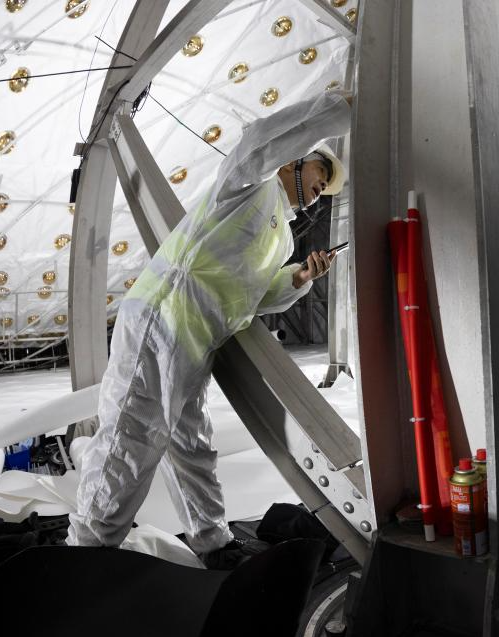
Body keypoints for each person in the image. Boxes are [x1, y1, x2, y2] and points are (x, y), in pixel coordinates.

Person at [66, 89, 352, 568]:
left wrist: (300, 277)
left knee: (187, 442)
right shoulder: (246, 186)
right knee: (131, 434)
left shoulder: (281, 237)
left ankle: (211, 542)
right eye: (318, 177)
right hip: (164, 316)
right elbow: (258, 143)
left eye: (324, 188)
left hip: (196, 337)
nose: (319, 191)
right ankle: (88, 551)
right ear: (292, 163)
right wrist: (335, 111)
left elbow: (257, 296)